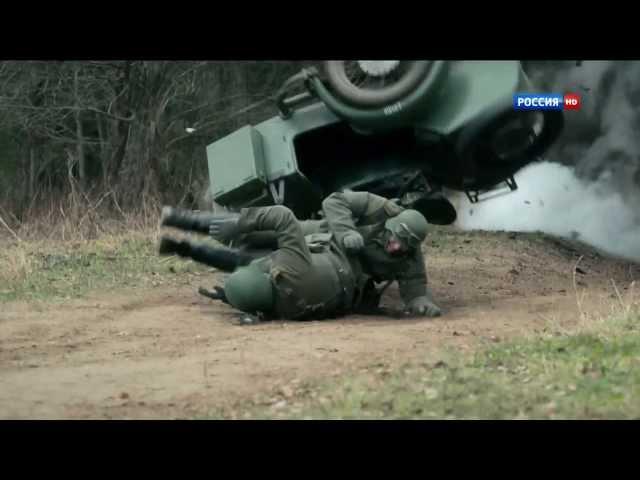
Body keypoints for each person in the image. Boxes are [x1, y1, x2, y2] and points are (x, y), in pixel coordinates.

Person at [160, 191, 442, 318]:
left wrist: (421, 302)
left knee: (250, 262)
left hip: (328, 262)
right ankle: (181, 219)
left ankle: (182, 249)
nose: (395, 247)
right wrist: (345, 231)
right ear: (392, 224)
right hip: (319, 234)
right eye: (395, 239)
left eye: (403, 246)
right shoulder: (378, 208)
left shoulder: (409, 256)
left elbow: (415, 286)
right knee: (245, 230)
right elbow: (334, 200)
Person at [159, 204, 364, 322]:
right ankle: (180, 233)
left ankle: (179, 229)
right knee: (248, 240)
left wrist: (237, 295)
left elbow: (282, 216)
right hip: (318, 239)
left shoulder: (284, 279)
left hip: (314, 253)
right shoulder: (283, 310)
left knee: (246, 251)